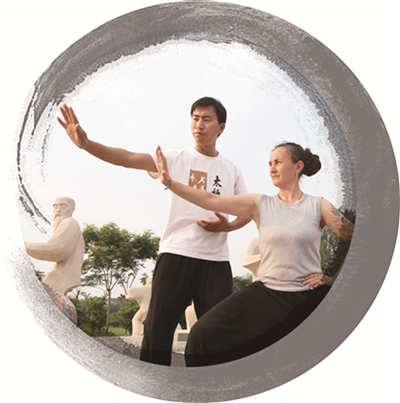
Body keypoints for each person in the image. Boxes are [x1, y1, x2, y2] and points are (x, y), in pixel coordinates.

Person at [57, 97, 251, 365]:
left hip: (215, 262)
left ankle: (209, 385)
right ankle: (154, 383)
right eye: (195, 118)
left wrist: (228, 226)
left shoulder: (231, 169)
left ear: (221, 127)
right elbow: (128, 159)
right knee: (157, 330)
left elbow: (246, 211)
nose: (199, 124)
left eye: (207, 119)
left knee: (217, 335)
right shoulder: (174, 159)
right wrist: (87, 144)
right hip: (176, 254)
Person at [156, 141, 354, 366]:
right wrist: (170, 183)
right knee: (203, 335)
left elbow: (358, 238)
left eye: (278, 162)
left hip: (308, 296)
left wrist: (335, 278)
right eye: (270, 163)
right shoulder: (259, 204)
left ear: (298, 166)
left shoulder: (319, 206)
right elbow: (211, 200)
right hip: (267, 293)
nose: (272, 168)